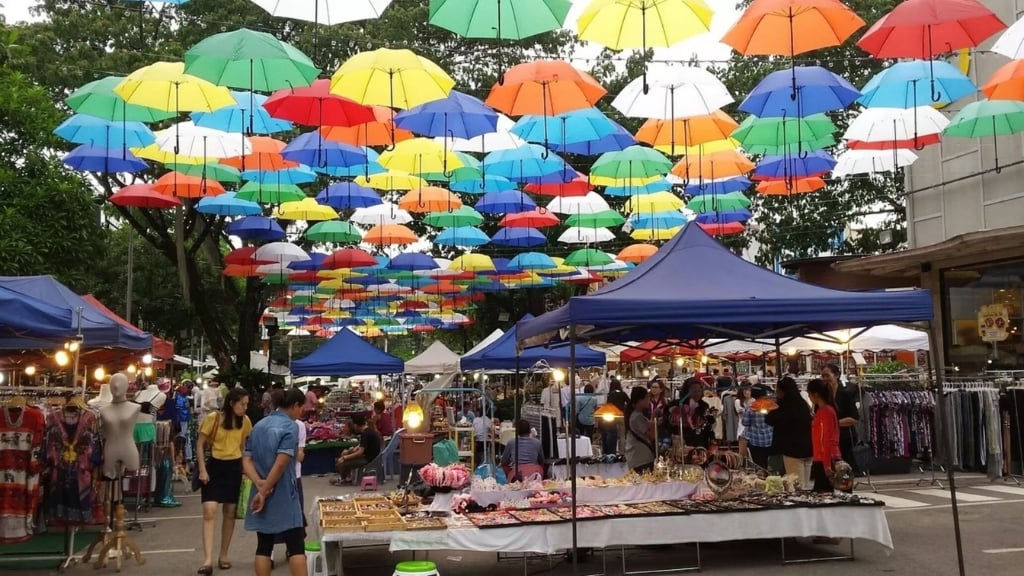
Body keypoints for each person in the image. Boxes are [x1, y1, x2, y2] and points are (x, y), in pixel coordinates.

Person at [242, 388, 306, 576]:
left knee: (264, 544)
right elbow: (281, 464)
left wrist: (259, 484)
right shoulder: (290, 427)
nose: (301, 413)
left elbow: (246, 459)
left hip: (261, 491)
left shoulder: (259, 425)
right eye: (301, 408)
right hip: (284, 492)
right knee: (296, 546)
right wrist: (265, 489)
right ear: (294, 406)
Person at [195, 388, 251, 574]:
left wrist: (245, 470)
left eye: (246, 404)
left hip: (234, 466)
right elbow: (200, 443)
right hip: (214, 466)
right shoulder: (214, 418)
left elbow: (243, 446)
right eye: (242, 403)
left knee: (230, 511)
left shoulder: (245, 422)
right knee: (209, 509)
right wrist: (202, 469)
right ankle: (208, 559)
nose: (245, 407)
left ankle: (224, 554)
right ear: (231, 403)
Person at [765, 377, 813, 491]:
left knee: (796, 485)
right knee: (806, 485)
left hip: (792, 451)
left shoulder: (782, 406)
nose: (776, 392)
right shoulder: (803, 403)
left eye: (778, 390)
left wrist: (769, 410)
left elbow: (769, 420)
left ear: (784, 391)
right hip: (809, 448)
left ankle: (801, 508)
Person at [823, 363, 859, 479]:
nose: (825, 379)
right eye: (822, 376)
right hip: (828, 437)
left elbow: (854, 418)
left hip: (845, 437)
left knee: (844, 469)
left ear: (837, 375)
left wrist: (835, 423)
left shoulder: (845, 394)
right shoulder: (824, 395)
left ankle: (846, 492)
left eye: (827, 375)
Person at [807, 378, 841, 493]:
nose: (809, 397)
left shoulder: (825, 412)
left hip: (825, 459)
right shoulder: (824, 411)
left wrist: (827, 465)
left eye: (809, 394)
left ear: (815, 394)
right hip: (822, 458)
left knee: (824, 494)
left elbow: (827, 439)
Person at [334, 414, 382, 482]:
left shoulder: (365, 434)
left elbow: (359, 453)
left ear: (356, 425)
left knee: (341, 462)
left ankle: (343, 479)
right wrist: (352, 450)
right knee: (345, 452)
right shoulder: (369, 431)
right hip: (370, 456)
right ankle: (347, 477)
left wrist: (344, 458)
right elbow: (362, 446)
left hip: (368, 459)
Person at [739, 387, 774, 470]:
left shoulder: (750, 407)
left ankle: (762, 479)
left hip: (756, 441)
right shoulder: (772, 405)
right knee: (767, 462)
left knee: (758, 464)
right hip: (769, 440)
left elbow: (745, 422)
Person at [625, 387, 656, 474]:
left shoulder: (636, 415)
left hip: (637, 457)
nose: (648, 400)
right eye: (646, 397)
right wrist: (654, 418)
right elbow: (652, 435)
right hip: (641, 458)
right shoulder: (637, 417)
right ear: (640, 400)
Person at [602, 379, 629, 456]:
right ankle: (622, 452)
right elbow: (629, 402)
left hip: (612, 415)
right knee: (622, 435)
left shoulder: (610, 394)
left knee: (612, 433)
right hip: (621, 415)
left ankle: (612, 452)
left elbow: (608, 404)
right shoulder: (623, 393)